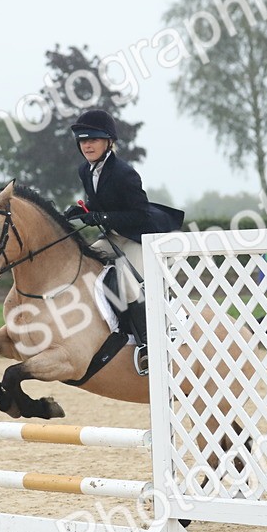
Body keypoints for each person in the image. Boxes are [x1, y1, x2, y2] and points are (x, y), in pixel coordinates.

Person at [62, 109, 184, 374]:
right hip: (115, 236)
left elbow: (139, 214)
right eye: (83, 141)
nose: (87, 145)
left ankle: (149, 347)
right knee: (82, 262)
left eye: (93, 139)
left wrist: (101, 216)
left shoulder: (124, 173)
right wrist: (82, 212)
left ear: (108, 142)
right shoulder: (86, 170)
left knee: (128, 284)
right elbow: (97, 204)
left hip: (142, 236)